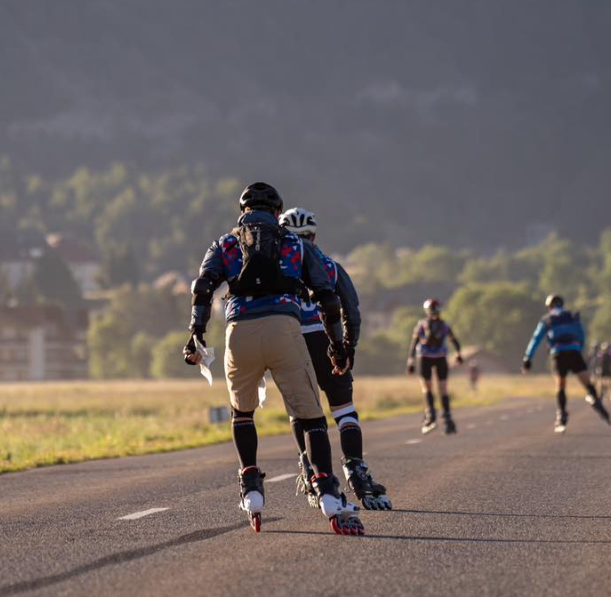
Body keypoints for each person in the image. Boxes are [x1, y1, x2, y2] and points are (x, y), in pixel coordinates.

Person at [184, 182, 364, 535]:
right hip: (285, 329)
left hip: (238, 332)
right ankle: (328, 493)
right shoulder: (295, 244)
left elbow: (202, 287)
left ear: (243, 211)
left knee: (242, 413)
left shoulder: (225, 243)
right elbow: (327, 297)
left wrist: (196, 334)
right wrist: (337, 346)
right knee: (311, 417)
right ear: (277, 212)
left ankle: (251, 486)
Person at [280, 207, 391, 510]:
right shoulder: (330, 266)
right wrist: (348, 347)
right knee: (344, 410)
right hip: (326, 339)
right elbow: (351, 310)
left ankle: (309, 469)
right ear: (314, 236)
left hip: (291, 341)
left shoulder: (277, 268)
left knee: (301, 411)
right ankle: (356, 469)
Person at [523, 294, 611, 432]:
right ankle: (595, 399)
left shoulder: (547, 319)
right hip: (574, 351)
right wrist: (579, 348)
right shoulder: (572, 316)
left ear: (549, 306)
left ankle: (562, 415)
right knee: (587, 382)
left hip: (558, 354)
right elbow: (582, 334)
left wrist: (528, 358)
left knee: (561, 386)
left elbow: (536, 339)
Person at [407, 299, 463, 434]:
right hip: (441, 357)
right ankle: (448, 419)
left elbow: (414, 343)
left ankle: (431, 416)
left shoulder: (421, 324)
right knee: (443, 388)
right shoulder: (444, 326)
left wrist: (411, 361)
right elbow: (454, 341)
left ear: (427, 311)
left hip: (424, 358)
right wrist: (458, 355)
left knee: (427, 388)